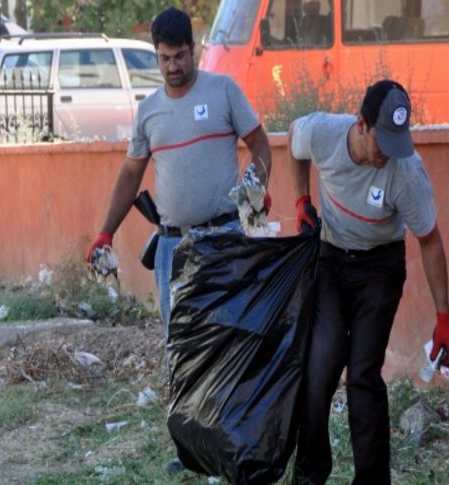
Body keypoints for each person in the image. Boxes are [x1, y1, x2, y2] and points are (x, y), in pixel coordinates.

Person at [85, 7, 272, 471]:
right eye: (165, 58)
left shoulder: (223, 91)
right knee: (182, 347)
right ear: (157, 56)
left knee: (230, 339)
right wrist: (106, 231)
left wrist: (256, 189)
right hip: (174, 248)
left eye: (180, 56)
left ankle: (234, 445)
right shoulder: (148, 113)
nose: (173, 66)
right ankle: (189, 453)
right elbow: (131, 174)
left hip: (227, 237)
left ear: (194, 49)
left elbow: (261, 145)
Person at [287, 79, 449, 484]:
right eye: (383, 142)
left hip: (379, 269)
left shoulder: (406, 170)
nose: (389, 154)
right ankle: (310, 474)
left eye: (398, 142)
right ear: (361, 125)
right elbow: (294, 141)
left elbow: (430, 242)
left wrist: (444, 318)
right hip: (330, 259)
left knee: (363, 372)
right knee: (321, 362)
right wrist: (301, 201)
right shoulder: (325, 134)